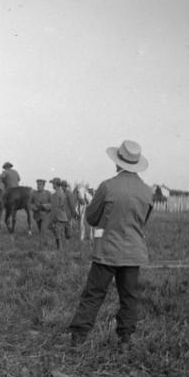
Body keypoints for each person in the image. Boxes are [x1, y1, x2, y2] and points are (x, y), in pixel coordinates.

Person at [69, 140, 154, 347]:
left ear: (118, 162)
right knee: (129, 297)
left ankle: (78, 338)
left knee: (94, 294)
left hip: (107, 251)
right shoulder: (146, 191)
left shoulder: (107, 186)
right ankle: (125, 339)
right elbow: (143, 221)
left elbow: (91, 218)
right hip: (133, 252)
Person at [49, 178, 70, 250]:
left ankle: (60, 250)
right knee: (61, 234)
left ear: (55, 184)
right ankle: (64, 250)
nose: (52, 185)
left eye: (53, 184)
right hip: (63, 216)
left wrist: (51, 221)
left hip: (57, 217)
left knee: (57, 234)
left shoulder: (55, 194)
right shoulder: (62, 193)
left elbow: (54, 209)